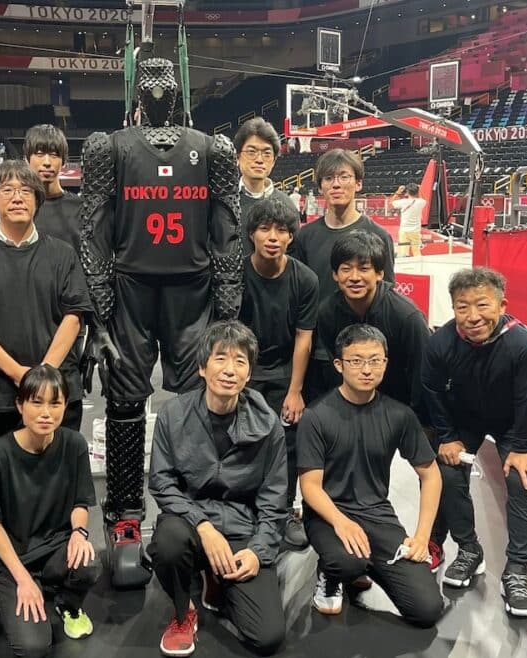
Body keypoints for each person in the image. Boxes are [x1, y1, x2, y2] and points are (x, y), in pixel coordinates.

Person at [79, 54, 242, 588]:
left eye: (163, 84)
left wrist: (227, 311)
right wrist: (99, 315)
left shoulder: (213, 147)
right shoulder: (109, 147)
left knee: (203, 399)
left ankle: (201, 506)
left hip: (192, 290)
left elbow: (228, 230)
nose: (155, 92)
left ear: (178, 90)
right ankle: (125, 516)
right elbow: (94, 230)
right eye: (146, 85)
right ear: (135, 94)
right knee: (125, 400)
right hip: (130, 288)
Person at [147, 320, 287, 658]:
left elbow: (275, 501)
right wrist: (203, 526)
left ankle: (218, 581)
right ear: (202, 367)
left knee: (267, 637)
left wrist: (258, 551)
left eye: (240, 361)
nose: (229, 369)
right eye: (220, 358)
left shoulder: (268, 426)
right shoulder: (174, 415)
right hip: (190, 525)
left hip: (242, 529)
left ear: (249, 373)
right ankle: (186, 609)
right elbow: (162, 483)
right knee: (167, 544)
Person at [298, 324, 444, 625]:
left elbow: (431, 475)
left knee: (427, 609)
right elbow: (310, 487)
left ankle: (364, 566)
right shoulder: (317, 416)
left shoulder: (399, 415)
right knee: (347, 561)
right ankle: (333, 571)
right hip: (328, 514)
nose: (367, 369)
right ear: (339, 365)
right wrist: (342, 523)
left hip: (377, 515)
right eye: (356, 360)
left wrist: (421, 537)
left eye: (375, 360)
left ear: (385, 364)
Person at [423, 266, 527, 618]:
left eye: (482, 305)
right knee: (445, 474)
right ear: (453, 308)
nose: (473, 316)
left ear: (502, 304)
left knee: (522, 481)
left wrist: (522, 448)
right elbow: (432, 390)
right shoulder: (441, 343)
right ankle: (468, 549)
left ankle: (516, 571)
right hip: (466, 420)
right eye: (463, 307)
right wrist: (446, 437)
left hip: (514, 424)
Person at [0, 160, 91, 442]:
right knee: (4, 480)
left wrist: (44, 374)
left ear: (37, 201)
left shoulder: (63, 254)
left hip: (58, 392)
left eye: (26, 190)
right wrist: (19, 374)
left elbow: (74, 316)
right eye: (7, 190)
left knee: (58, 478)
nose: (17, 197)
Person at [0, 365, 101, 658]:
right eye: (36, 402)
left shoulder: (73, 445)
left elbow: (80, 502)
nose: (46, 412)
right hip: (12, 559)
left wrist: (78, 534)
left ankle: (67, 605)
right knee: (32, 651)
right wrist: (22, 579)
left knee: (87, 562)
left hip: (54, 549)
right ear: (20, 405)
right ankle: (12, 590)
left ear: (65, 406)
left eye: (55, 403)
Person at [238, 197, 318, 549]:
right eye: (265, 229)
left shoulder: (306, 279)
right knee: (244, 443)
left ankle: (285, 511)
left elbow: (304, 337)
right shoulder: (235, 276)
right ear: (251, 234)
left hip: (286, 372)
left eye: (282, 230)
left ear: (290, 238)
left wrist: (295, 391)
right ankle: (246, 508)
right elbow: (229, 336)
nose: (273, 237)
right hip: (245, 372)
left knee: (287, 445)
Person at [312, 230, 430, 416]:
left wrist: (417, 422)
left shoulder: (406, 316)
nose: (354, 277)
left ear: (380, 273)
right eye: (346, 269)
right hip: (353, 409)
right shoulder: (326, 313)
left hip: (401, 409)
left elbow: (422, 374)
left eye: (364, 269)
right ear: (335, 274)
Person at [290, 149, 395, 305]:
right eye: (329, 178)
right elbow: (298, 291)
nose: (336, 184)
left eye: (344, 177)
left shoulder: (380, 236)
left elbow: (386, 296)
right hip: (318, 327)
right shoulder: (304, 236)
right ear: (320, 187)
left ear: (359, 183)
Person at [25, 123, 82, 252]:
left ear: (64, 161)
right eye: (39, 154)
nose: (47, 162)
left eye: (54, 155)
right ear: (27, 159)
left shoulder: (81, 208)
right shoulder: (18, 207)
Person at [233, 117, 285, 252]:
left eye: (267, 153)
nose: (259, 160)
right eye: (251, 152)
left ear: (273, 161)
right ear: (237, 157)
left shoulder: (286, 204)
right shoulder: (223, 202)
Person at [388, 183, 426, 258]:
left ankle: (405, 268)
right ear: (417, 191)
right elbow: (424, 198)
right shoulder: (421, 202)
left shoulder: (403, 202)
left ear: (407, 192)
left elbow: (390, 204)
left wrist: (398, 191)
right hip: (416, 230)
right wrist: (420, 189)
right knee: (416, 252)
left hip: (404, 230)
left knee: (403, 252)